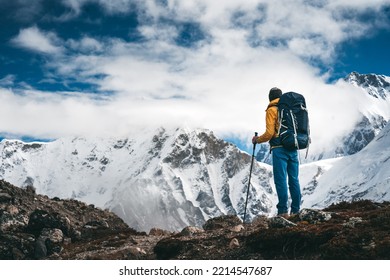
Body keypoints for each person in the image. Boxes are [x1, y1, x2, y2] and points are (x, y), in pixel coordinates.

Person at [252, 87, 301, 217]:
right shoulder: (291, 109)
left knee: (281, 180)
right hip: (293, 147)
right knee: (294, 180)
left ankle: (283, 211)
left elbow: (269, 133)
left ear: (270, 98)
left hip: (279, 149)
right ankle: (296, 211)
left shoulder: (271, 110)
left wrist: (258, 140)